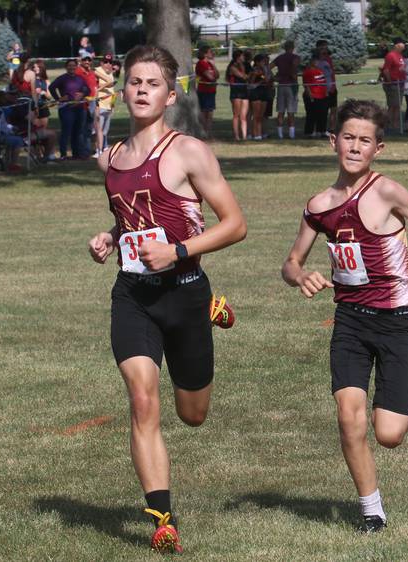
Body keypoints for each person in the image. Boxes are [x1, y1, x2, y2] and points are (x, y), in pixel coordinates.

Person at [88, 44, 246, 554]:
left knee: (193, 414)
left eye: (152, 83)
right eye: (134, 81)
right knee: (141, 399)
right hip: (133, 295)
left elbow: (235, 225)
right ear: (124, 88)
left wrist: (176, 250)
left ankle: (212, 309)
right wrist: (111, 237)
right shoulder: (110, 157)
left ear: (169, 94)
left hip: (185, 293)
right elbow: (133, 214)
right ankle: (162, 516)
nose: (140, 90)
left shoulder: (188, 152)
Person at [281, 98, 408, 533]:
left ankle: (379, 472)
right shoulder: (318, 205)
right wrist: (299, 275)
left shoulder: (386, 191)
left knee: (389, 434)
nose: (355, 147)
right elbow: (290, 262)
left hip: (396, 321)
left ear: (378, 148)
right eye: (348, 138)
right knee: (348, 414)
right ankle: (371, 509)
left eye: (365, 140)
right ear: (332, 141)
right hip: (350, 321)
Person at [49, 59, 90, 159]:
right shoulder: (62, 78)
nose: (72, 67)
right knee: (66, 131)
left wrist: (82, 94)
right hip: (66, 109)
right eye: (69, 66)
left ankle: (76, 153)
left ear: (76, 67)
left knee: (77, 131)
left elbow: (88, 89)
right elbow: (51, 87)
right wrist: (58, 99)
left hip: (79, 108)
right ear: (66, 67)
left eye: (73, 66)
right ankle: (63, 154)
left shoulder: (80, 78)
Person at [272, 40, 300, 140]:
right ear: (293, 48)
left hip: (281, 86)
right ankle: (291, 134)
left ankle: (280, 134)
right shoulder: (295, 57)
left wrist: (274, 77)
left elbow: (269, 66)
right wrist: (292, 75)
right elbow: (293, 68)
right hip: (291, 85)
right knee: (291, 111)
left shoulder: (280, 58)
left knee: (280, 111)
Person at [94, 55, 118, 156]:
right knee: (98, 129)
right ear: (101, 63)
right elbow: (95, 87)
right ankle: (97, 150)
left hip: (109, 105)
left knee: (105, 131)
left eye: (110, 62)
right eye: (105, 62)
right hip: (100, 105)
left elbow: (112, 91)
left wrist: (113, 105)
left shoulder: (110, 74)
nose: (108, 64)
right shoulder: (97, 71)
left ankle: (104, 148)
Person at [302, 51, 329, 138]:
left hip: (322, 96)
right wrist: (310, 96)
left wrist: (326, 92)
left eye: (318, 61)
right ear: (312, 61)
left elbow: (323, 82)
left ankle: (321, 131)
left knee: (323, 114)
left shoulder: (319, 71)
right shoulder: (308, 72)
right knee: (312, 115)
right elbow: (306, 85)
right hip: (313, 96)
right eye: (316, 61)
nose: (318, 63)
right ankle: (309, 132)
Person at [381, 38, 406, 131]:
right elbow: (386, 70)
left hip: (400, 84)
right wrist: (390, 81)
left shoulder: (400, 55)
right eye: (403, 43)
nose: (404, 45)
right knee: (392, 105)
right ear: (397, 44)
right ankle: (386, 125)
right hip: (393, 84)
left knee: (397, 105)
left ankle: (395, 124)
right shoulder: (390, 55)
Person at [75, 56, 98, 156]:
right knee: (81, 127)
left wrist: (96, 99)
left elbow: (95, 87)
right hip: (82, 102)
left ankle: (88, 149)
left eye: (89, 60)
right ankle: (81, 150)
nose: (87, 62)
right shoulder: (77, 72)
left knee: (89, 127)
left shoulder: (92, 72)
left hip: (92, 102)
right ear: (81, 61)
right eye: (85, 60)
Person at [195, 45, 219, 138]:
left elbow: (217, 76)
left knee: (210, 112)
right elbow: (211, 78)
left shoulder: (210, 64)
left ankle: (208, 132)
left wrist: (213, 64)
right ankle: (204, 132)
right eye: (210, 52)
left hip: (212, 91)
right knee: (205, 113)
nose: (212, 53)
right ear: (204, 54)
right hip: (204, 91)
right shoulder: (201, 63)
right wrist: (213, 78)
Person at [226, 50, 249, 141]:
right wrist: (244, 70)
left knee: (243, 116)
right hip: (236, 92)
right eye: (242, 56)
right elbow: (243, 76)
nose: (244, 58)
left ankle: (244, 136)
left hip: (244, 92)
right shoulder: (232, 67)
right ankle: (236, 136)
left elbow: (248, 77)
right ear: (238, 57)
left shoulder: (244, 65)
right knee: (236, 115)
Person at [316, 40, 338, 132]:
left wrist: (333, 86)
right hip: (322, 89)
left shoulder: (329, 58)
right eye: (322, 47)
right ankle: (321, 129)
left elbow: (331, 73)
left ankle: (332, 129)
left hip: (332, 87)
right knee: (322, 111)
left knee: (333, 109)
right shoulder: (315, 61)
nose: (325, 49)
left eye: (326, 47)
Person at [247, 53, 268, 141]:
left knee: (260, 115)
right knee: (256, 115)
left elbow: (266, 80)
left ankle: (259, 133)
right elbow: (251, 82)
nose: (264, 63)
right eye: (263, 61)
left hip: (263, 92)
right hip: (255, 93)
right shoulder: (253, 70)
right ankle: (255, 134)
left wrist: (263, 73)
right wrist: (255, 75)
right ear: (257, 62)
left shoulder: (263, 70)